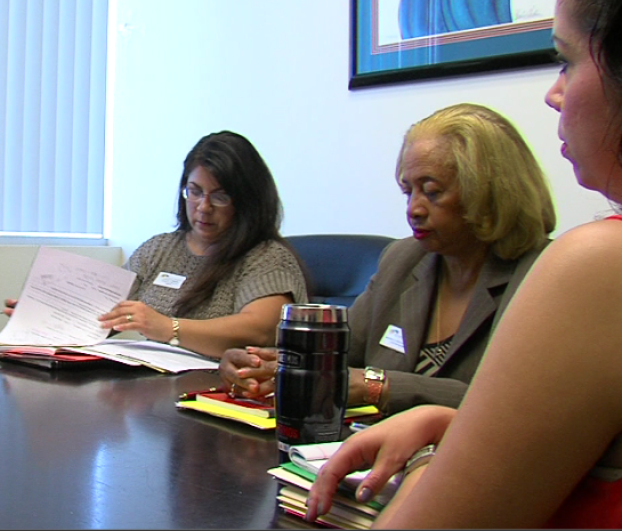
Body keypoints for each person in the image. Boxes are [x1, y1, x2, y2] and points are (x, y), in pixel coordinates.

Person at [305, 0, 622, 527]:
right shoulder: (404, 262)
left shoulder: (595, 264)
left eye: (565, 60)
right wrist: (447, 425)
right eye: (407, 190)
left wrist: (432, 467)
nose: (553, 94)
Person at [220, 103, 556, 415]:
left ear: (489, 190)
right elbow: (337, 356)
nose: (414, 209)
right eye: (408, 191)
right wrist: (263, 364)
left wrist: (375, 387)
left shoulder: (545, 275)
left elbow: (516, 405)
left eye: (433, 191)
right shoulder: (405, 259)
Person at [2, 131, 308, 359]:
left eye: (220, 196)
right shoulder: (158, 249)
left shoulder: (267, 258)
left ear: (247, 201)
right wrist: (44, 316)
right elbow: (107, 315)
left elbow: (261, 329)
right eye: (195, 191)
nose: (203, 207)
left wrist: (168, 328)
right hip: (151, 391)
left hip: (219, 393)